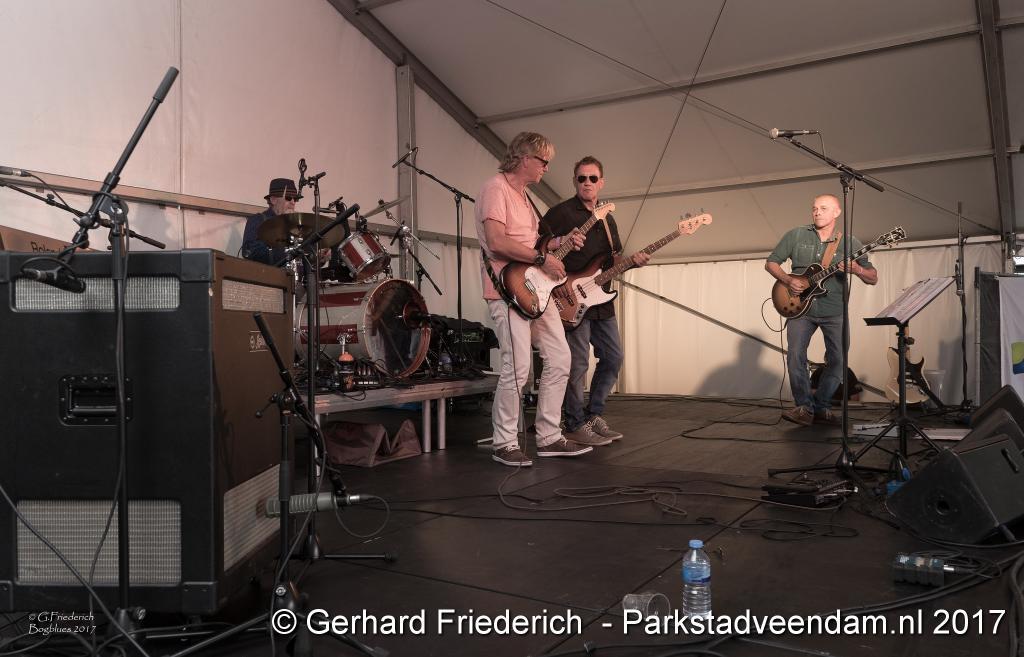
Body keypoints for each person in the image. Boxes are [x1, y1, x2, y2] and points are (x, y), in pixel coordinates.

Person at [475, 132, 590, 467]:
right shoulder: (496, 188)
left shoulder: (525, 197)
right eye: (544, 161)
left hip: (535, 291)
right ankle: (504, 443)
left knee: (561, 357)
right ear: (525, 158)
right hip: (507, 291)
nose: (546, 168)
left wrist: (558, 244)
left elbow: (532, 244)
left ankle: (549, 436)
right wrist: (542, 260)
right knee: (518, 367)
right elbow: (496, 242)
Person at [541, 156, 649, 446]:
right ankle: (574, 423)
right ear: (574, 181)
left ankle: (593, 415)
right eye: (581, 178)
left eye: (592, 178)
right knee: (577, 364)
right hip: (571, 300)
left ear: (601, 182)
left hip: (602, 301)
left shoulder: (608, 218)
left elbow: (612, 258)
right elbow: (539, 249)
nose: (587, 183)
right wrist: (558, 285)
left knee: (614, 358)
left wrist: (632, 261)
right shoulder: (561, 213)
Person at [765, 194, 878, 425]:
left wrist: (857, 270)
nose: (817, 212)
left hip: (834, 309)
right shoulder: (796, 235)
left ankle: (822, 405)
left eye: (823, 208)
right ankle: (804, 407)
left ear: (837, 212)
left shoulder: (850, 242)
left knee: (838, 359)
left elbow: (873, 277)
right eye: (814, 208)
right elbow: (771, 262)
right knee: (795, 356)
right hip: (800, 309)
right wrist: (788, 280)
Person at [241, 178, 301, 265]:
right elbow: (249, 252)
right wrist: (285, 251)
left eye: (295, 199)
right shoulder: (258, 220)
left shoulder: (298, 224)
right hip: (269, 273)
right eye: (288, 198)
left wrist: (317, 256)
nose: (293, 202)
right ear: (273, 200)